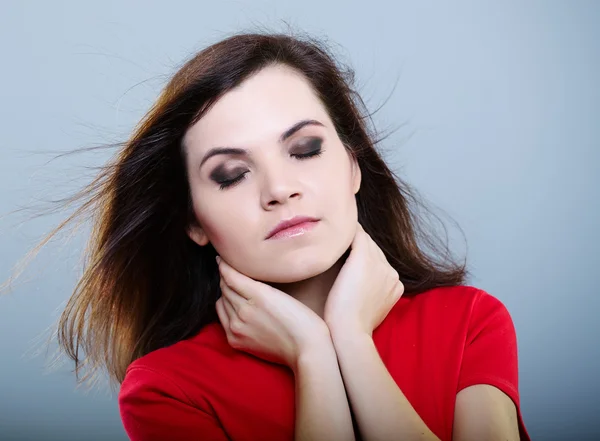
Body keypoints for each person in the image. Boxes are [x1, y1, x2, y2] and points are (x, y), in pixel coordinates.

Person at [15, 31, 531, 440]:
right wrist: (313, 356)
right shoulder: (168, 391)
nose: (279, 190)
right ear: (193, 220)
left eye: (305, 149)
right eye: (231, 175)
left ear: (353, 168)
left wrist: (350, 339)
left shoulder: (469, 323)